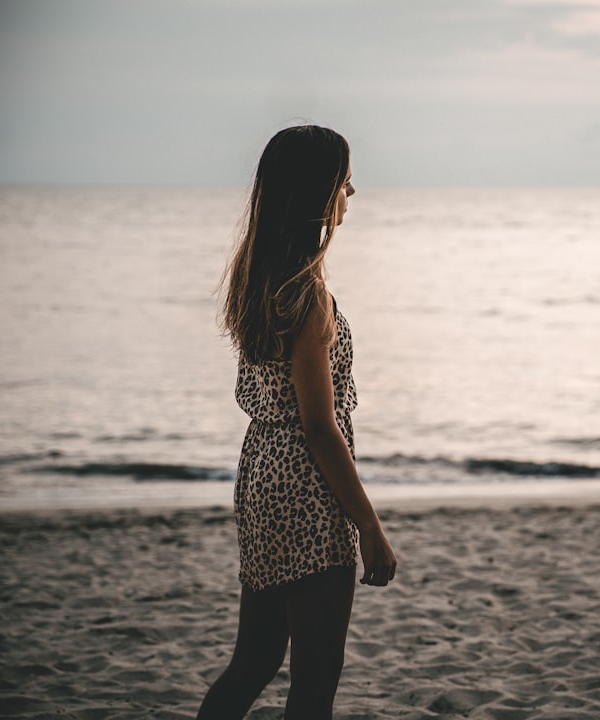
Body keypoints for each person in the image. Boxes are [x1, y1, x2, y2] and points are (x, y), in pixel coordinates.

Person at [197, 125, 398, 720]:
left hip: (260, 475)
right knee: (314, 683)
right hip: (306, 490)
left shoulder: (257, 280)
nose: (352, 191)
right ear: (318, 193)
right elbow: (319, 428)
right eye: (343, 179)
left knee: (253, 662)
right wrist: (369, 527)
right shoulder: (307, 296)